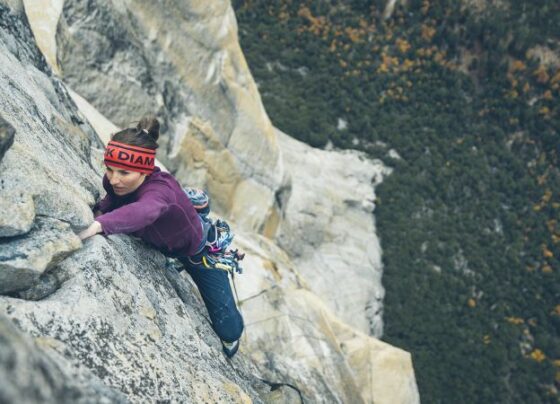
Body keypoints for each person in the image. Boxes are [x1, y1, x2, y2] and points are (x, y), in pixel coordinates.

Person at [78, 117, 243, 358]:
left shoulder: (159, 194)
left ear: (145, 170)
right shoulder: (116, 181)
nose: (114, 179)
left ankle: (199, 216)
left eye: (124, 172)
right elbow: (114, 197)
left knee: (228, 328)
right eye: (110, 169)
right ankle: (192, 210)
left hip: (198, 249)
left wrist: (99, 224)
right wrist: (103, 208)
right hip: (168, 235)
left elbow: (145, 211)